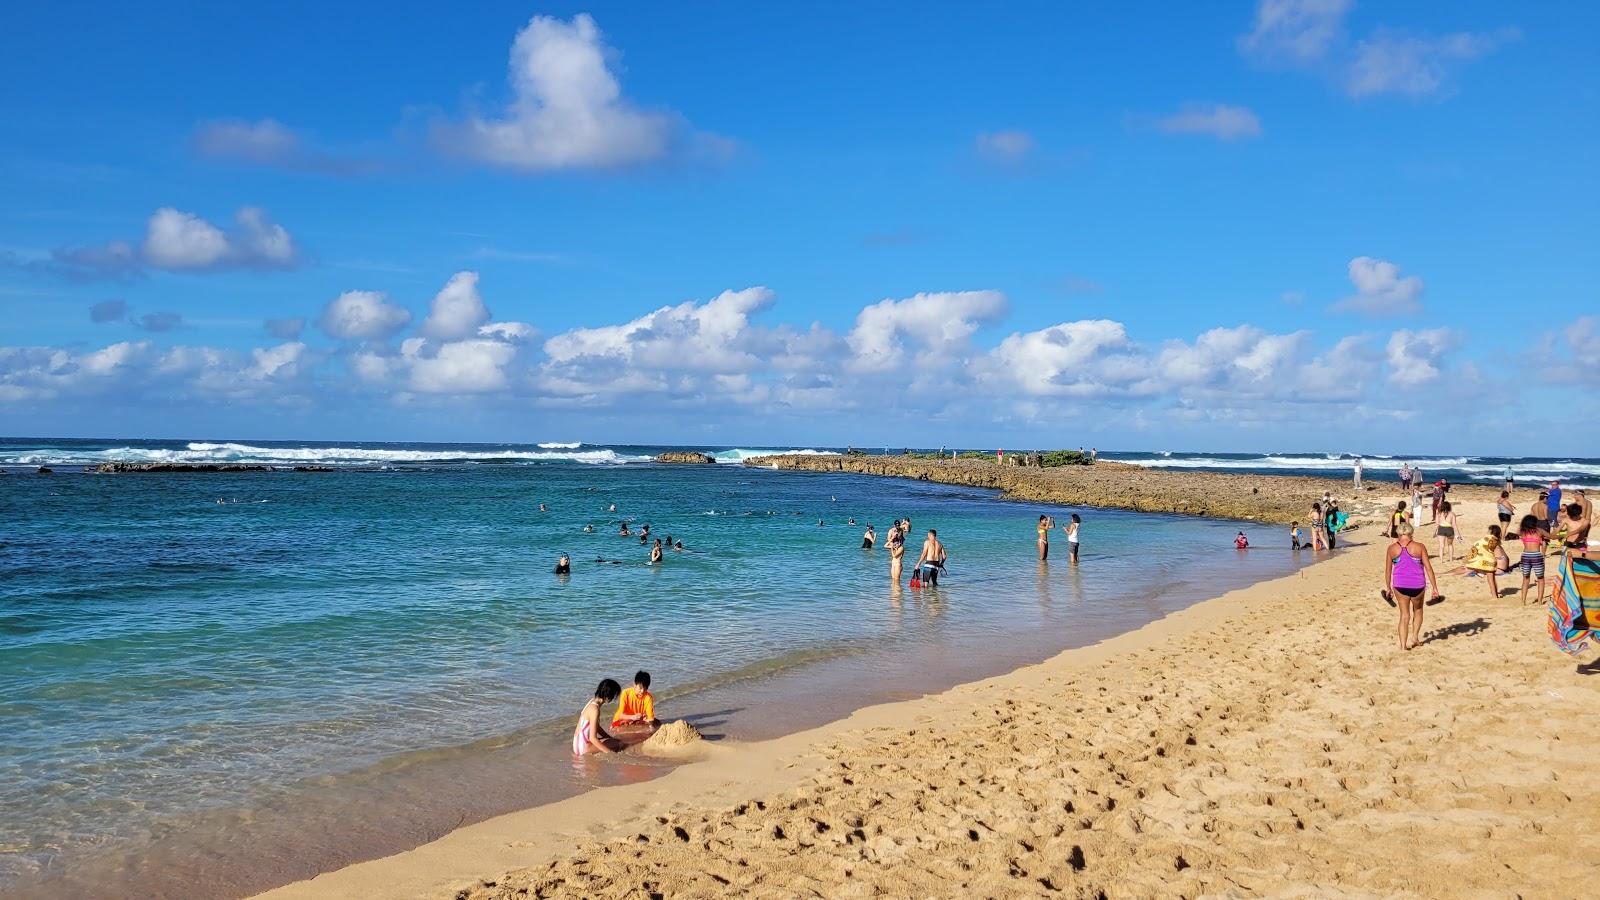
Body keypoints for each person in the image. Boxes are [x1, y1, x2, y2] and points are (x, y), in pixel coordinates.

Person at [1382, 523, 1439, 651]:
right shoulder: (1419, 547)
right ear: (1411, 533)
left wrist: (1388, 587)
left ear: (1398, 534)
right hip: (1417, 585)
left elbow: (1387, 571)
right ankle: (1414, 637)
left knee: (1404, 615)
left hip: (1400, 585)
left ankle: (1403, 646)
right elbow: (1428, 568)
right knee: (1418, 610)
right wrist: (1435, 587)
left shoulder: (1391, 549)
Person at [573, 679, 625, 755]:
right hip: (583, 748)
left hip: (577, 745)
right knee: (619, 744)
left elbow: (597, 727)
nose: (613, 698)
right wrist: (610, 754)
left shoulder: (591, 702)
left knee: (613, 741)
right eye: (613, 696)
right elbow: (593, 738)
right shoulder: (595, 710)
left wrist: (609, 738)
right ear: (608, 696)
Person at [1461, 525, 1509, 601]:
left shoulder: (1488, 540)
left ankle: (1494, 597)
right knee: (1492, 579)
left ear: (1490, 531)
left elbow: (1481, 548)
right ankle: (1495, 594)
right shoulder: (1496, 541)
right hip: (1492, 561)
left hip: (1488, 561)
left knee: (1490, 579)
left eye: (1488, 530)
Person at [1517, 514, 1550, 605]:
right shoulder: (1539, 531)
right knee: (1540, 579)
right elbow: (1552, 536)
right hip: (1536, 555)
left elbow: (1518, 530)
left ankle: (1523, 601)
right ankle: (1539, 601)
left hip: (1525, 555)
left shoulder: (1522, 532)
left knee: (1526, 579)